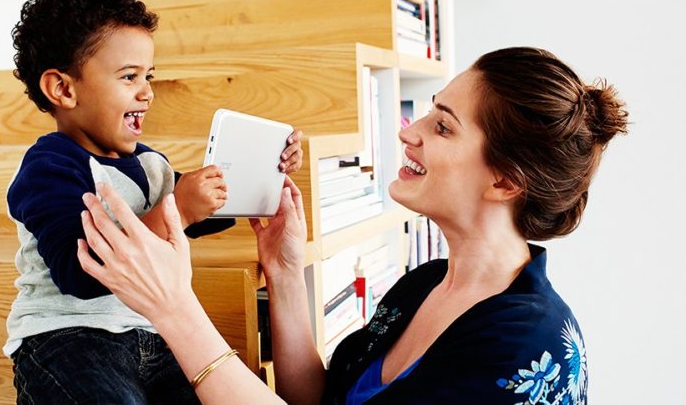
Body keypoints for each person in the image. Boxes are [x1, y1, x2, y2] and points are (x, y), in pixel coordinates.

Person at [78, 47, 628, 404]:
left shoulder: (523, 347)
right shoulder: (424, 284)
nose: (410, 133)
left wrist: (176, 310)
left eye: (443, 127)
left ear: (505, 182)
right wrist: (287, 273)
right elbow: (319, 400)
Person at [4, 0, 303, 404]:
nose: (147, 92)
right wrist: (178, 210)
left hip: (151, 334)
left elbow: (198, 214)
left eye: (149, 76)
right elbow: (80, 269)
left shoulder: (150, 164)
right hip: (67, 338)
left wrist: (265, 172)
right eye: (129, 77)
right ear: (64, 89)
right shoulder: (49, 168)